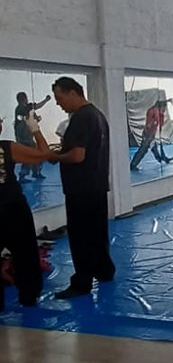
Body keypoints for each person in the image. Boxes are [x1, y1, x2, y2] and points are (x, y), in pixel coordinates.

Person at [49, 77, 115, 299]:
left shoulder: (80, 118)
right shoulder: (98, 115)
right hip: (97, 186)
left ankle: (82, 282)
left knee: (81, 237)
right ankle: (104, 270)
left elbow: (77, 156)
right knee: (97, 232)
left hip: (81, 188)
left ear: (72, 93)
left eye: (59, 98)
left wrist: (56, 157)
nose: (58, 103)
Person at [0, 112, 54, 309]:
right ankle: (29, 295)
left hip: (12, 207)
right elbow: (44, 153)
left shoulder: (8, 148)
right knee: (25, 254)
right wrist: (35, 130)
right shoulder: (7, 148)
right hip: (12, 208)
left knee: (26, 253)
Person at [14, 91, 52, 182]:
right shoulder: (21, 109)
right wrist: (46, 100)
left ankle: (36, 172)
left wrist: (36, 118)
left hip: (27, 137)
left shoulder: (24, 109)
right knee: (28, 156)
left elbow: (30, 116)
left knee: (36, 153)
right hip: (24, 138)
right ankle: (23, 175)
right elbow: (36, 107)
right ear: (24, 99)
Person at [130, 100, 173, 170]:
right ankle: (133, 164)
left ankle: (162, 158)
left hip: (151, 134)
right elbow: (151, 123)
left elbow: (160, 123)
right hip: (148, 134)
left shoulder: (158, 112)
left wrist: (168, 101)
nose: (164, 110)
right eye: (163, 108)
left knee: (154, 148)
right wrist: (152, 124)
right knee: (143, 150)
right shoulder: (153, 111)